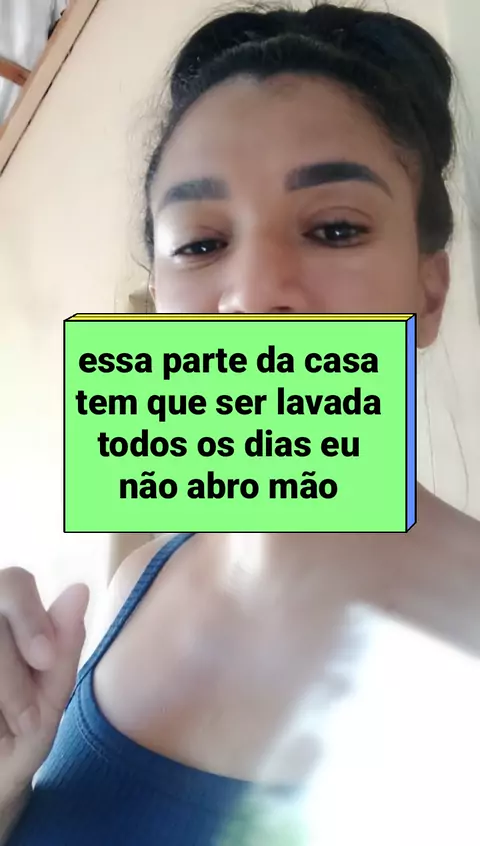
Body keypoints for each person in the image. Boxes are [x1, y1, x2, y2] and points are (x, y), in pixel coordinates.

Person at [1, 3, 480, 844]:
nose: (254, 294)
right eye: (200, 244)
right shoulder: (131, 587)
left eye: (335, 229)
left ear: (427, 294)